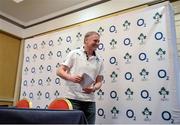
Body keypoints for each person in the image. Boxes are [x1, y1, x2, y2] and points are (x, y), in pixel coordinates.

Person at [56, 31, 104, 124]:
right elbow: (59, 71)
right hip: (73, 99)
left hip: (90, 101)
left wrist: (94, 88)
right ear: (86, 40)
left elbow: (99, 81)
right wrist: (71, 78)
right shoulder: (74, 53)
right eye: (95, 41)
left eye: (99, 41)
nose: (97, 43)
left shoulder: (100, 60)